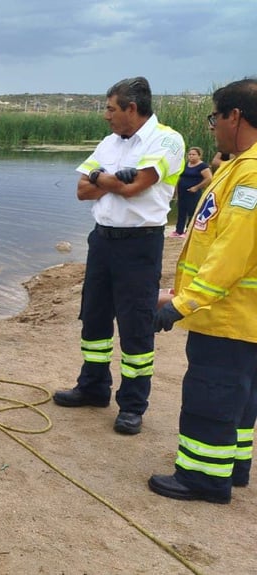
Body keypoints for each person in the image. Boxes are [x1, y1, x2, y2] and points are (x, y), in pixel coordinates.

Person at [52, 77, 185, 435]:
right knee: (94, 317)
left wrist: (105, 179)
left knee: (136, 325)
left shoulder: (167, 139)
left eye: (111, 108)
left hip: (139, 244)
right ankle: (93, 387)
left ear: (131, 108)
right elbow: (82, 190)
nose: (106, 116)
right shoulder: (109, 143)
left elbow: (135, 186)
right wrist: (110, 178)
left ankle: (132, 406)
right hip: (102, 242)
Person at [148, 78, 257, 504]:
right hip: (236, 315)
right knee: (240, 399)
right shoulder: (236, 165)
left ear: (235, 116)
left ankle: (203, 479)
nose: (212, 128)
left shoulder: (250, 176)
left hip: (228, 315)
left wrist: (181, 304)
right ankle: (233, 467)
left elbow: (233, 251)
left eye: (215, 118)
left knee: (211, 396)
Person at [171, 147, 213, 237]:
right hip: (182, 191)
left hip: (193, 192)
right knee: (181, 211)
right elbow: (179, 177)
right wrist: (175, 191)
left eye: (193, 154)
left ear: (199, 156)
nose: (191, 156)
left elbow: (209, 178)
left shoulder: (203, 166)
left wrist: (197, 187)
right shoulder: (185, 165)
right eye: (189, 154)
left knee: (192, 211)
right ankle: (178, 231)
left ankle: (188, 231)